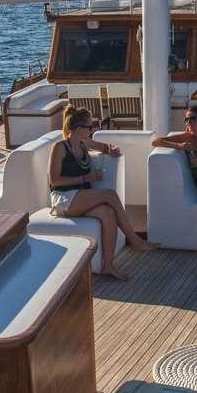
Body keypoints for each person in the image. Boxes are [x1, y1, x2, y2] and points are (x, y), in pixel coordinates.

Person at [49, 106, 154, 278]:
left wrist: (111, 150)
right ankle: (135, 240)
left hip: (80, 198)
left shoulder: (84, 143)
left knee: (108, 213)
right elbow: (54, 180)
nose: (94, 129)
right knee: (109, 195)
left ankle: (107, 266)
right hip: (63, 198)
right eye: (90, 127)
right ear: (77, 128)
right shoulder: (59, 147)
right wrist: (85, 179)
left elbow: (103, 147)